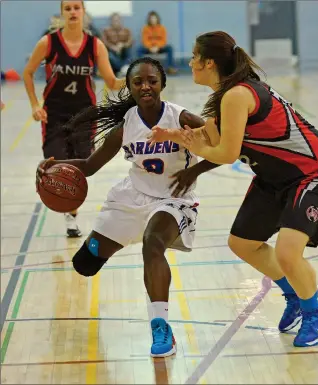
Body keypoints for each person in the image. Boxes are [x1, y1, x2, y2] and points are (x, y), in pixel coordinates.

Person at [148, 31, 318, 348]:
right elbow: (207, 138)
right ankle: (295, 294)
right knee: (242, 243)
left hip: (311, 174)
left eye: (195, 57)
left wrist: (201, 149)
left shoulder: (237, 95)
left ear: (209, 63)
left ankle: (315, 312)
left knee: (288, 252)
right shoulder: (222, 99)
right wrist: (170, 134)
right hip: (274, 178)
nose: (191, 62)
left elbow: (224, 153)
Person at [36, 57, 219, 357]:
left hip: (173, 199)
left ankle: (161, 327)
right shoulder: (126, 126)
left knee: (153, 243)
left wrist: (194, 172)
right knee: (84, 264)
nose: (145, 86)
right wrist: (52, 168)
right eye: (138, 82)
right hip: (132, 198)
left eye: (151, 81)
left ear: (162, 83)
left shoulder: (182, 117)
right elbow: (90, 166)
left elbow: (224, 148)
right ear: (130, 88)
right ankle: (121, 237)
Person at [23, 0, 125, 237]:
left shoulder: (95, 45)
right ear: (61, 13)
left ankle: (71, 213)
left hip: (85, 117)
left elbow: (111, 82)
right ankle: (70, 214)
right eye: (67, 8)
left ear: (83, 12)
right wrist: (35, 104)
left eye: (76, 8)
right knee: (58, 165)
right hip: (55, 116)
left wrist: (133, 78)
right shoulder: (48, 42)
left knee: (79, 169)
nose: (72, 12)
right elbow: (27, 73)